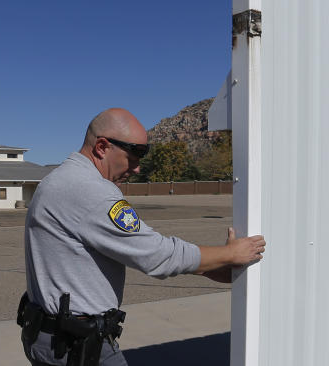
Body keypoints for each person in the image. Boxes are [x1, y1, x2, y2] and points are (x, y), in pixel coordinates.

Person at [18, 108, 266, 366]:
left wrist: (208, 269)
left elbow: (129, 249)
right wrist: (230, 254)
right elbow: (156, 255)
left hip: (52, 336)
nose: (137, 168)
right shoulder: (88, 190)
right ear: (102, 146)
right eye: (134, 155)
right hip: (76, 346)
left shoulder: (62, 179)